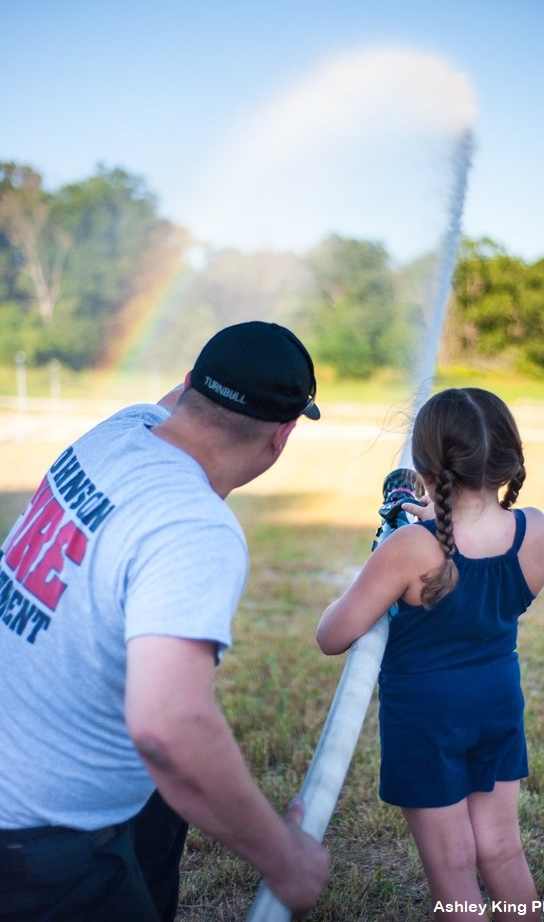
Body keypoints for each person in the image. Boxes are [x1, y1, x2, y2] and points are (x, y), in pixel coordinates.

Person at [0, 320, 330, 922]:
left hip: (19, 780)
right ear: (282, 438)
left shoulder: (118, 429)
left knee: (159, 819)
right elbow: (167, 726)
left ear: (185, 386)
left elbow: (169, 409)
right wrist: (286, 859)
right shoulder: (195, 526)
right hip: (38, 846)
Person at [316, 388, 544, 922]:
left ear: (425, 466)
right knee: (502, 849)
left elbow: (331, 635)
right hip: (497, 701)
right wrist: (426, 521)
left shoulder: (410, 548)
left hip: (426, 716)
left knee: (452, 868)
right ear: (507, 457)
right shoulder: (535, 530)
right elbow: (482, 572)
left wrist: (391, 540)